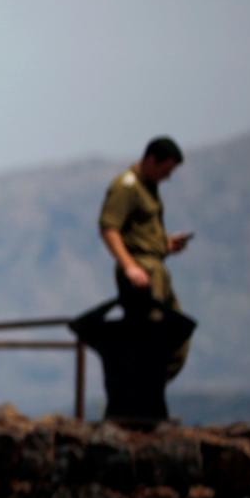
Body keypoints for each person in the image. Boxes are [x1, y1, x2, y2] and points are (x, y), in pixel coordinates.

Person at [98, 136, 194, 381]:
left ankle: (149, 391)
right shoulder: (127, 186)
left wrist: (165, 244)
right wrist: (129, 266)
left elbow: (140, 232)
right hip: (141, 272)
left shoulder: (148, 188)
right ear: (152, 160)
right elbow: (109, 228)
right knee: (148, 335)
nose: (167, 176)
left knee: (174, 333)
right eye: (166, 169)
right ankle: (139, 398)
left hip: (156, 267)